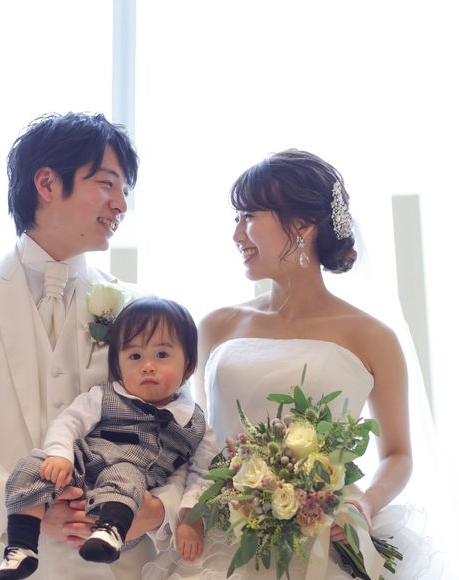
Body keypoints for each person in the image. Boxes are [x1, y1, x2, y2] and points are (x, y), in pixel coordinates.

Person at [143, 149, 441, 579]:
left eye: (249, 216)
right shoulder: (215, 326)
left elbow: (398, 454)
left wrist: (365, 504)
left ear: (302, 224)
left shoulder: (373, 337)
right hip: (222, 544)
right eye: (236, 218)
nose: (237, 234)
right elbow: (201, 445)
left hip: (326, 538)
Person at [0, 112, 186, 580]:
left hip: (109, 563)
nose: (121, 204)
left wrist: (158, 510)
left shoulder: (138, 307)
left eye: (125, 190)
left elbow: (180, 429)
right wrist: (25, 509)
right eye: (107, 184)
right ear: (46, 183)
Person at [0, 296, 215, 579]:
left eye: (162, 355)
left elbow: (202, 474)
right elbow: (68, 422)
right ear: (118, 366)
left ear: (189, 366)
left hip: (129, 503)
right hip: (81, 470)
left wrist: (190, 518)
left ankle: (109, 532)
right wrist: (60, 456)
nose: (148, 366)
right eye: (135, 357)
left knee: (124, 474)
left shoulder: (196, 424)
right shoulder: (104, 396)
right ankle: (21, 547)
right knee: (30, 466)